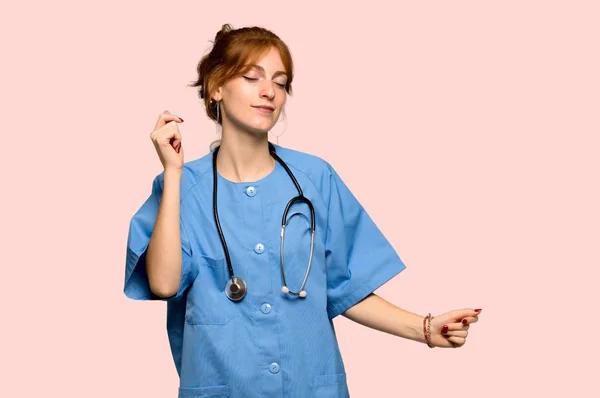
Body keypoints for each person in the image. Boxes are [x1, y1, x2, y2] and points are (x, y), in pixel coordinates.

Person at [123, 24, 481, 398]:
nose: (269, 92)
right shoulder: (182, 188)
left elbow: (344, 287)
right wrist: (174, 172)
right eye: (252, 77)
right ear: (215, 87)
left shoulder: (315, 178)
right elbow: (164, 284)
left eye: (280, 82)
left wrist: (425, 328)